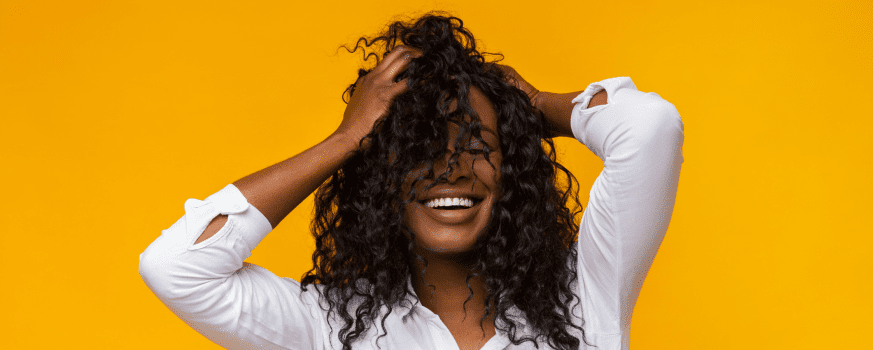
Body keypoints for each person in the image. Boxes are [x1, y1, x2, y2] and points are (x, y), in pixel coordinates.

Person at [139, 13, 684, 350]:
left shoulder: (585, 299)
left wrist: (536, 107)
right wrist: (343, 142)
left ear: (512, 170)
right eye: (419, 150)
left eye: (477, 147)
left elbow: (650, 128)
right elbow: (176, 268)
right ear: (380, 177)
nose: (451, 169)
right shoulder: (328, 329)